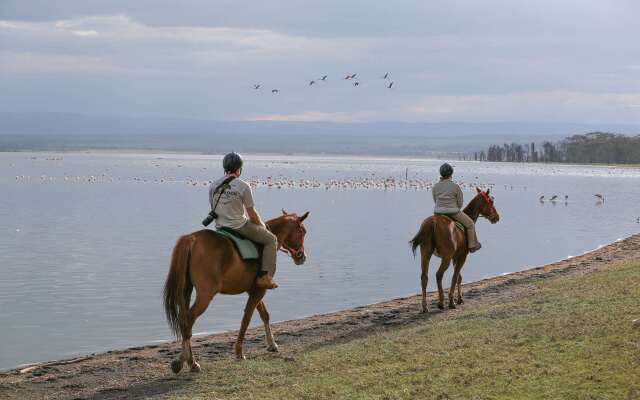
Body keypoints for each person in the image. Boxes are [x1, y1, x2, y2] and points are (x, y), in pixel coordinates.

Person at [210, 152, 278, 289]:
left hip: (220, 227)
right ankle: (265, 278)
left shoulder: (213, 185)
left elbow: (213, 208)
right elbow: (251, 214)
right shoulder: (243, 186)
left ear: (224, 168)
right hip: (239, 226)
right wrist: (262, 226)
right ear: (239, 169)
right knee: (271, 240)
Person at [432, 163, 482, 252]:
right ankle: (472, 246)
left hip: (438, 213)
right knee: (470, 224)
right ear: (451, 174)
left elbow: (435, 200)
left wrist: (441, 207)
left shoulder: (435, 186)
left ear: (441, 174)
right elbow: (460, 203)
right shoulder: (455, 186)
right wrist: (455, 208)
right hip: (453, 212)